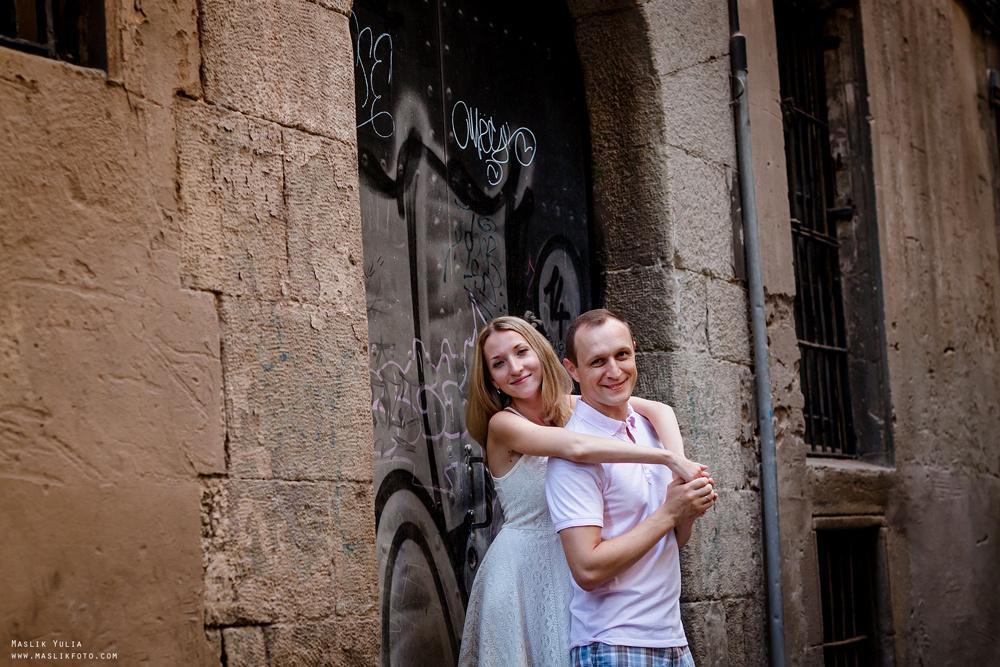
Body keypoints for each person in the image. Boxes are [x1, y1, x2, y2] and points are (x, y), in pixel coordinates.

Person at [458, 315, 708, 667]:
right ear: (490, 379)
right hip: (523, 568)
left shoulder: (571, 405)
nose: (515, 368)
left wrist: (682, 472)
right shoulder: (504, 424)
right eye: (499, 363)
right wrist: (664, 457)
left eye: (521, 352)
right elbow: (575, 448)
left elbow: (660, 409)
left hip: (571, 564)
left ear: (540, 354)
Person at [546, 309, 717, 667]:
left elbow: (672, 540)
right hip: (613, 644)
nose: (614, 371)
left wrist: (689, 507)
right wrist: (670, 511)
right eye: (597, 362)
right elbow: (588, 570)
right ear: (572, 370)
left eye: (621, 355)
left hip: (672, 639)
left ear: (635, 352)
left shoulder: (650, 429)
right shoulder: (573, 455)